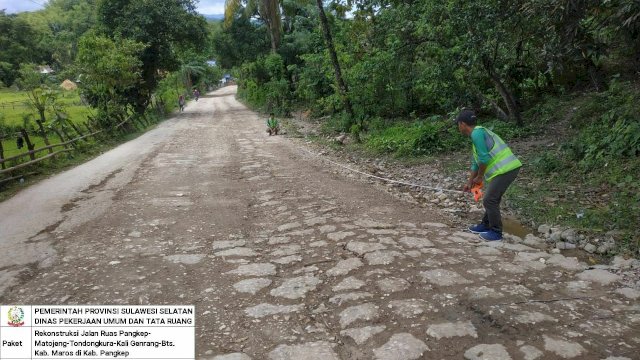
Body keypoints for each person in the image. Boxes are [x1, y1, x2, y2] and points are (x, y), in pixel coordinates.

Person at [456, 109, 522, 241]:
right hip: (503, 170)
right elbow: (476, 162)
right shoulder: (477, 135)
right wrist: (470, 182)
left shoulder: (477, 134)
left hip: (507, 169)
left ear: (462, 124)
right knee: (492, 199)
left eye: (458, 124)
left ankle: (496, 232)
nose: (458, 127)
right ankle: (485, 225)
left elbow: (485, 159)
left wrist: (479, 177)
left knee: (489, 199)